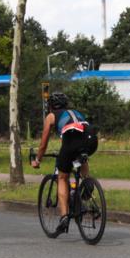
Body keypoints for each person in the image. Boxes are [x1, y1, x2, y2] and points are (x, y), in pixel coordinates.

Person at [30, 92, 98, 236]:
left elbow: (43, 143)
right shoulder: (76, 112)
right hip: (91, 139)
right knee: (81, 157)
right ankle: (87, 182)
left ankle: (64, 217)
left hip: (71, 142)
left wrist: (38, 159)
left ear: (50, 106)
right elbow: (76, 131)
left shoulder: (51, 116)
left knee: (62, 177)